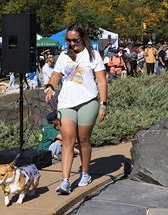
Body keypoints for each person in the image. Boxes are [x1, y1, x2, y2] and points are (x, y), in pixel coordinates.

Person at [45, 23, 107, 194]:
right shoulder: (64, 56)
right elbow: (57, 74)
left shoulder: (93, 55)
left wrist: (103, 103)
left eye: (75, 40)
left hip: (88, 102)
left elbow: (101, 81)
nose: (72, 43)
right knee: (67, 140)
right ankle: (64, 181)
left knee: (84, 140)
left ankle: (85, 173)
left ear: (83, 38)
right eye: (69, 40)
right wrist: (51, 86)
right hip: (66, 103)